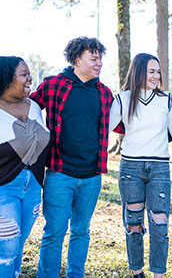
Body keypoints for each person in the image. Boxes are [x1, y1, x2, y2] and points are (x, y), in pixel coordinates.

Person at [30, 37, 114, 278]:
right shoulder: (54, 85)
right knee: (54, 231)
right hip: (60, 174)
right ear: (77, 60)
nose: (99, 63)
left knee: (81, 231)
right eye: (94, 58)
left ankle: (75, 274)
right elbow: (27, 109)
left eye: (100, 58)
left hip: (91, 177)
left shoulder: (104, 93)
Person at [0, 56, 50, 277]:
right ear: (4, 80)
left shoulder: (33, 107)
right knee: (6, 249)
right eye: (23, 74)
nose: (30, 78)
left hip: (32, 188)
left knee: (18, 247)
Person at [109, 53, 172, 278]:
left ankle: (158, 273)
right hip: (131, 168)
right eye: (151, 71)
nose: (156, 76)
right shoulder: (122, 98)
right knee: (133, 224)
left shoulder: (167, 99)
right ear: (139, 71)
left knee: (160, 223)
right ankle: (137, 271)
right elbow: (104, 129)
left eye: (158, 72)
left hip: (159, 169)